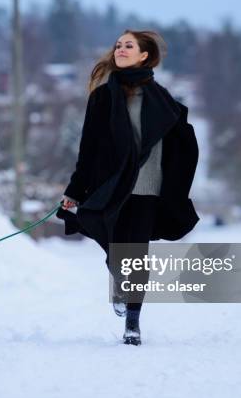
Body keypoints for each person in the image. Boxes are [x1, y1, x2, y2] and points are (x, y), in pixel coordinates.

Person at [57, 29, 200, 346]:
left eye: (128, 45)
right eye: (118, 45)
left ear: (144, 55)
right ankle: (121, 282)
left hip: (147, 189)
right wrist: (74, 191)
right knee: (115, 250)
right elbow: (88, 149)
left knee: (136, 255)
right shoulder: (102, 97)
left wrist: (175, 185)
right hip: (110, 188)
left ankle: (133, 322)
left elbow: (182, 145)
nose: (120, 49)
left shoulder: (163, 100)